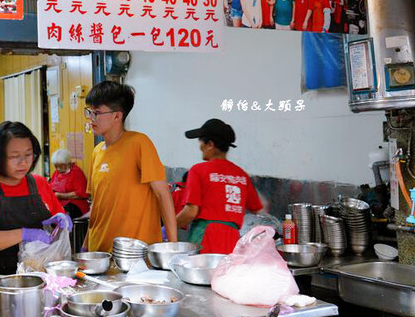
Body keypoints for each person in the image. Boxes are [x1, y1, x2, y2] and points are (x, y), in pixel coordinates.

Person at [0, 121, 70, 276]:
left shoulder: (39, 183)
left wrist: (61, 221)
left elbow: (56, 219)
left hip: (40, 277)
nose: (23, 162)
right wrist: (24, 234)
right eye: (14, 157)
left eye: (28, 155)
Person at [83, 81, 178, 253]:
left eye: (96, 113)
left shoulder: (139, 143)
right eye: (89, 112)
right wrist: (85, 245)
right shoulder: (97, 152)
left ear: (117, 116)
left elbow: (162, 194)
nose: (91, 118)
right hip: (100, 252)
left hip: (134, 256)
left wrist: (173, 247)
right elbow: (96, 205)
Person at [176, 119, 263, 254]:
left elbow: (190, 212)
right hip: (232, 242)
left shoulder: (198, 170)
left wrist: (168, 227)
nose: (200, 147)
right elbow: (257, 209)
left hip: (206, 239)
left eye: (200, 142)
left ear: (210, 144)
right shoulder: (241, 175)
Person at [49, 148, 89, 219]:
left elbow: (82, 193)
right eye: (56, 166)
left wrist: (61, 195)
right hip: (60, 203)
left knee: (62, 216)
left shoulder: (76, 172)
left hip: (76, 205)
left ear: (68, 163)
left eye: (61, 166)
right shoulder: (56, 173)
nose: (58, 169)